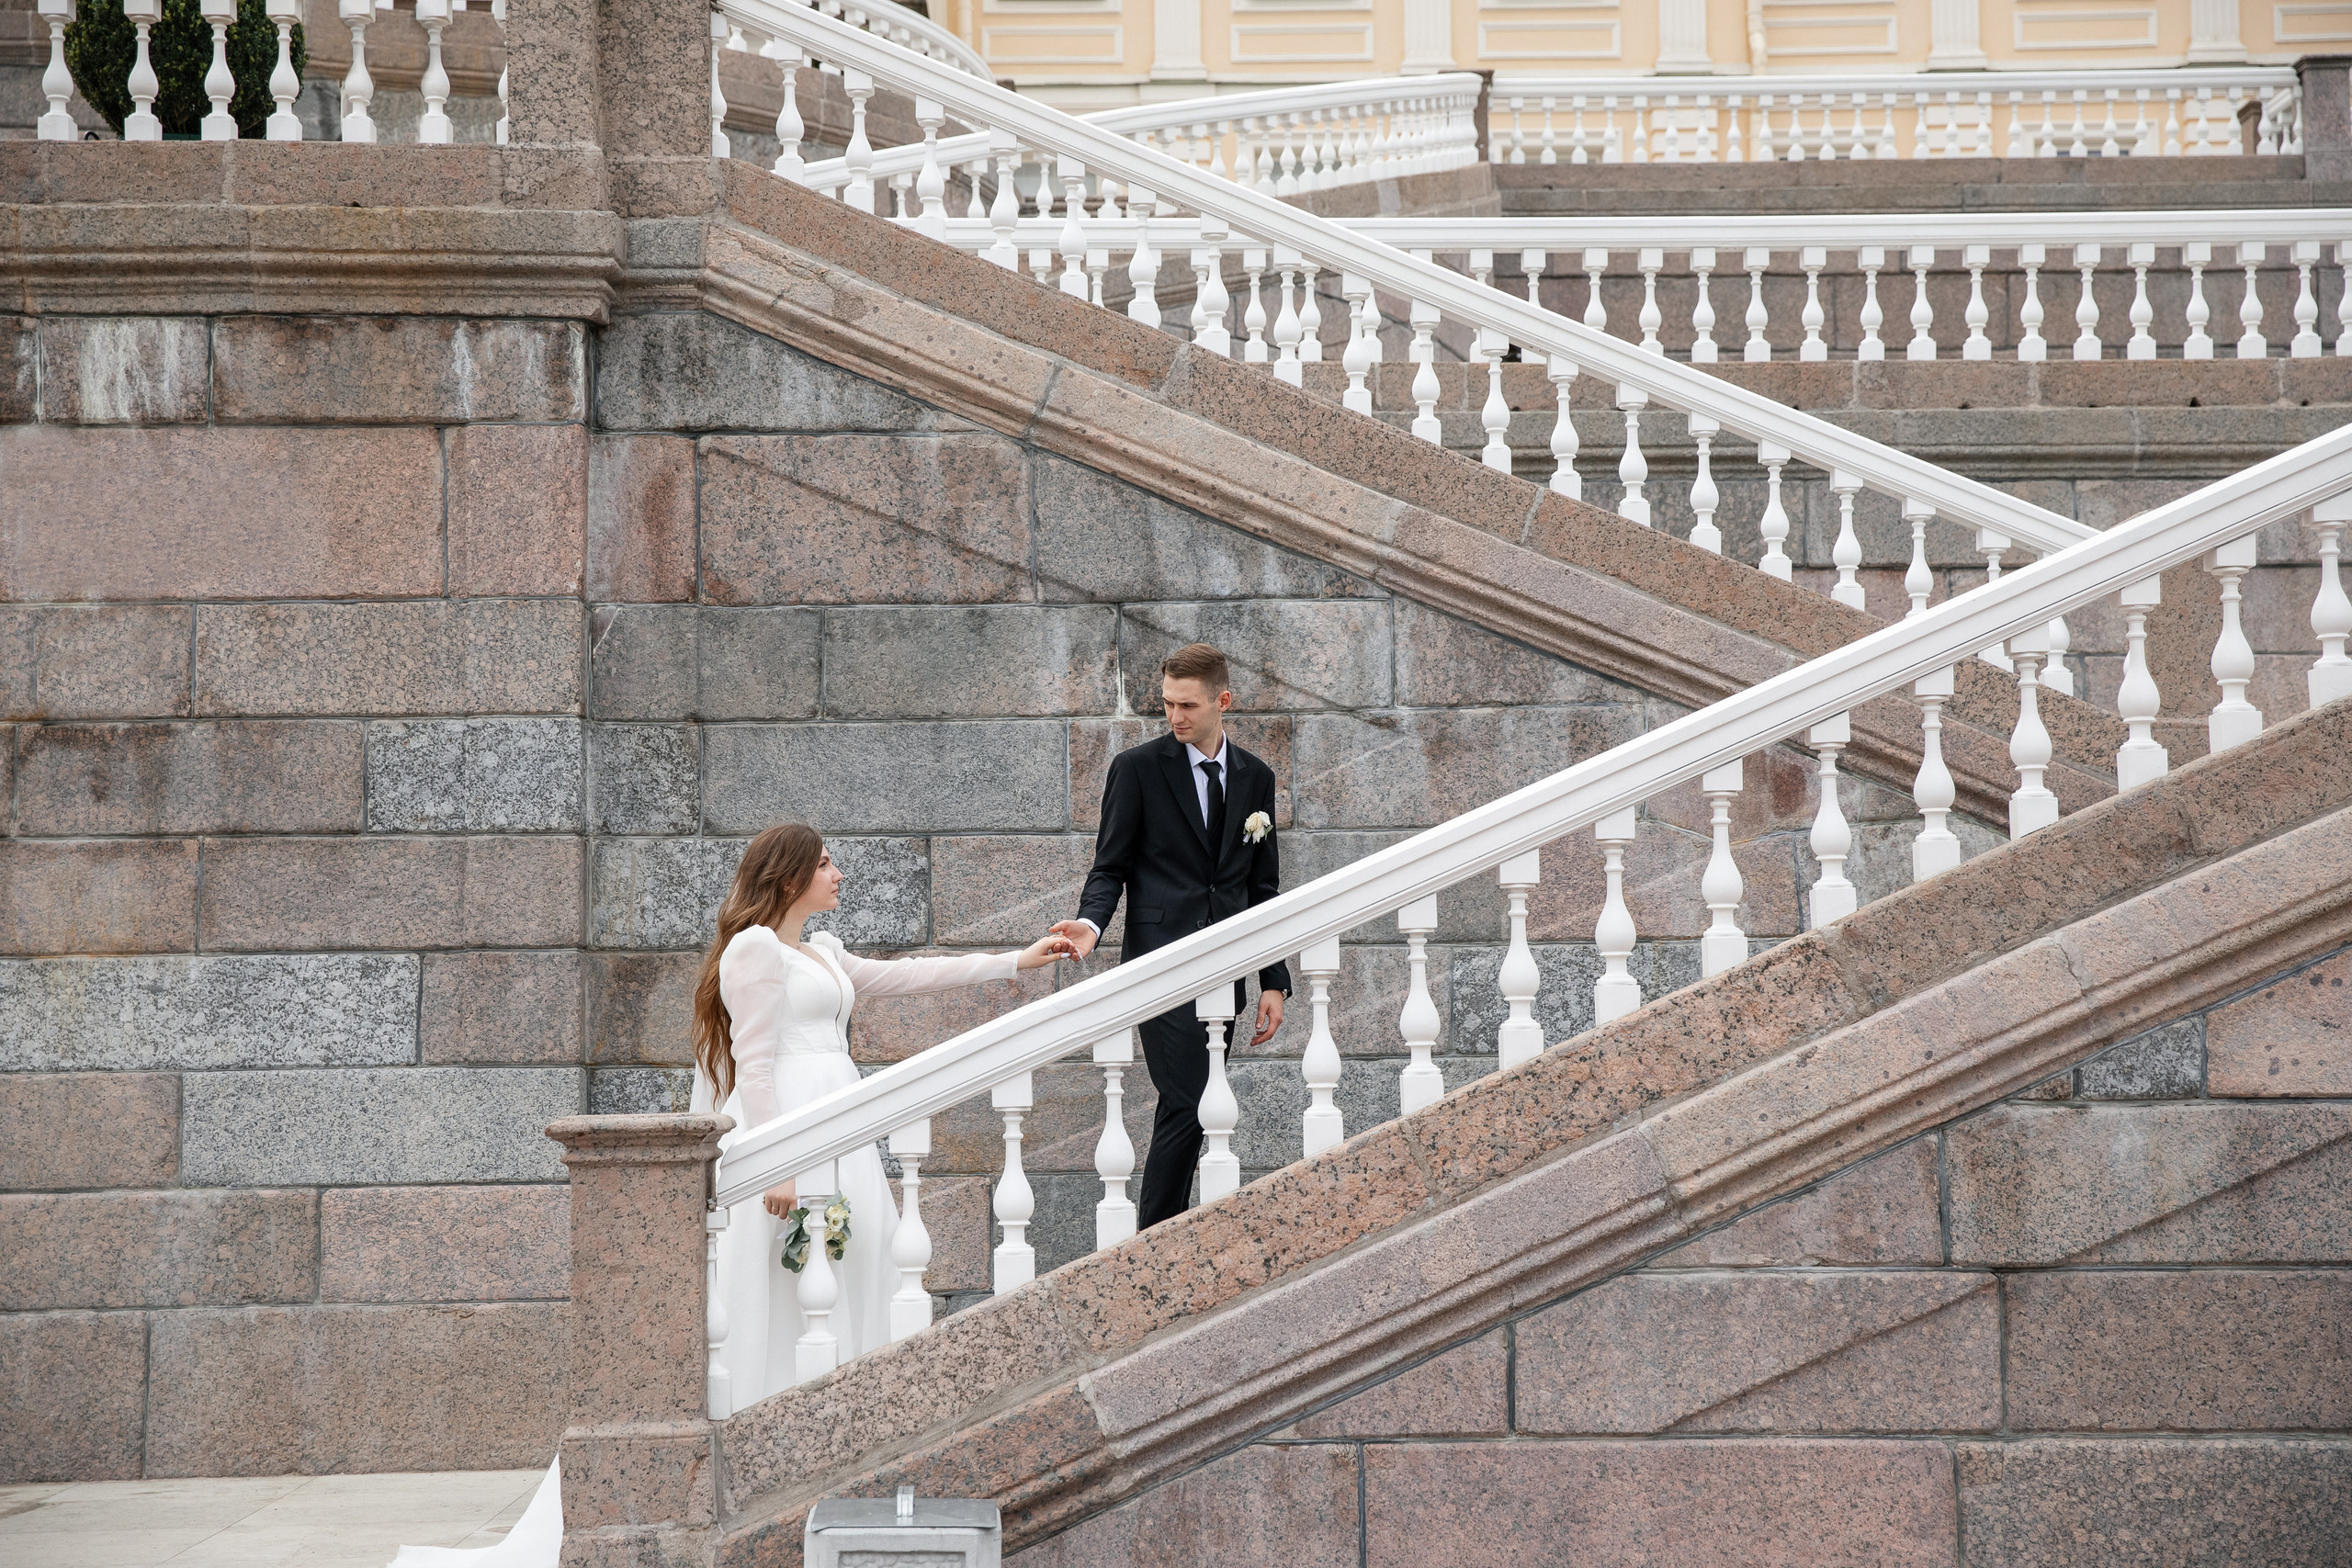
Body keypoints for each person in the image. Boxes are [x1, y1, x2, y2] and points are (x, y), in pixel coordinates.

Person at [390, 824, 1071, 1567]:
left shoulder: (825, 950)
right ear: (789, 876)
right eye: (824, 863)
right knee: (777, 1290)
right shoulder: (755, 950)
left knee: (852, 1273)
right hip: (792, 1137)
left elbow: (908, 978)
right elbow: (754, 1064)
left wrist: (1017, 958)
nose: (838, 873)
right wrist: (780, 1163)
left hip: (842, 1134)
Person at [1051, 642, 1290, 1231]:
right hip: (1159, 964)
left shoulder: (1256, 778)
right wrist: (1090, 925)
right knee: (1188, 1098)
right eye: (1167, 704)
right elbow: (1109, 867)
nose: (1175, 716)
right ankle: (1156, 1236)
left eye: (1188, 705)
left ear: (1223, 701)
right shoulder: (1137, 769)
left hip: (1224, 972)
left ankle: (1161, 1234)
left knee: (1194, 1105)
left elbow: (1263, 887)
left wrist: (1273, 979)